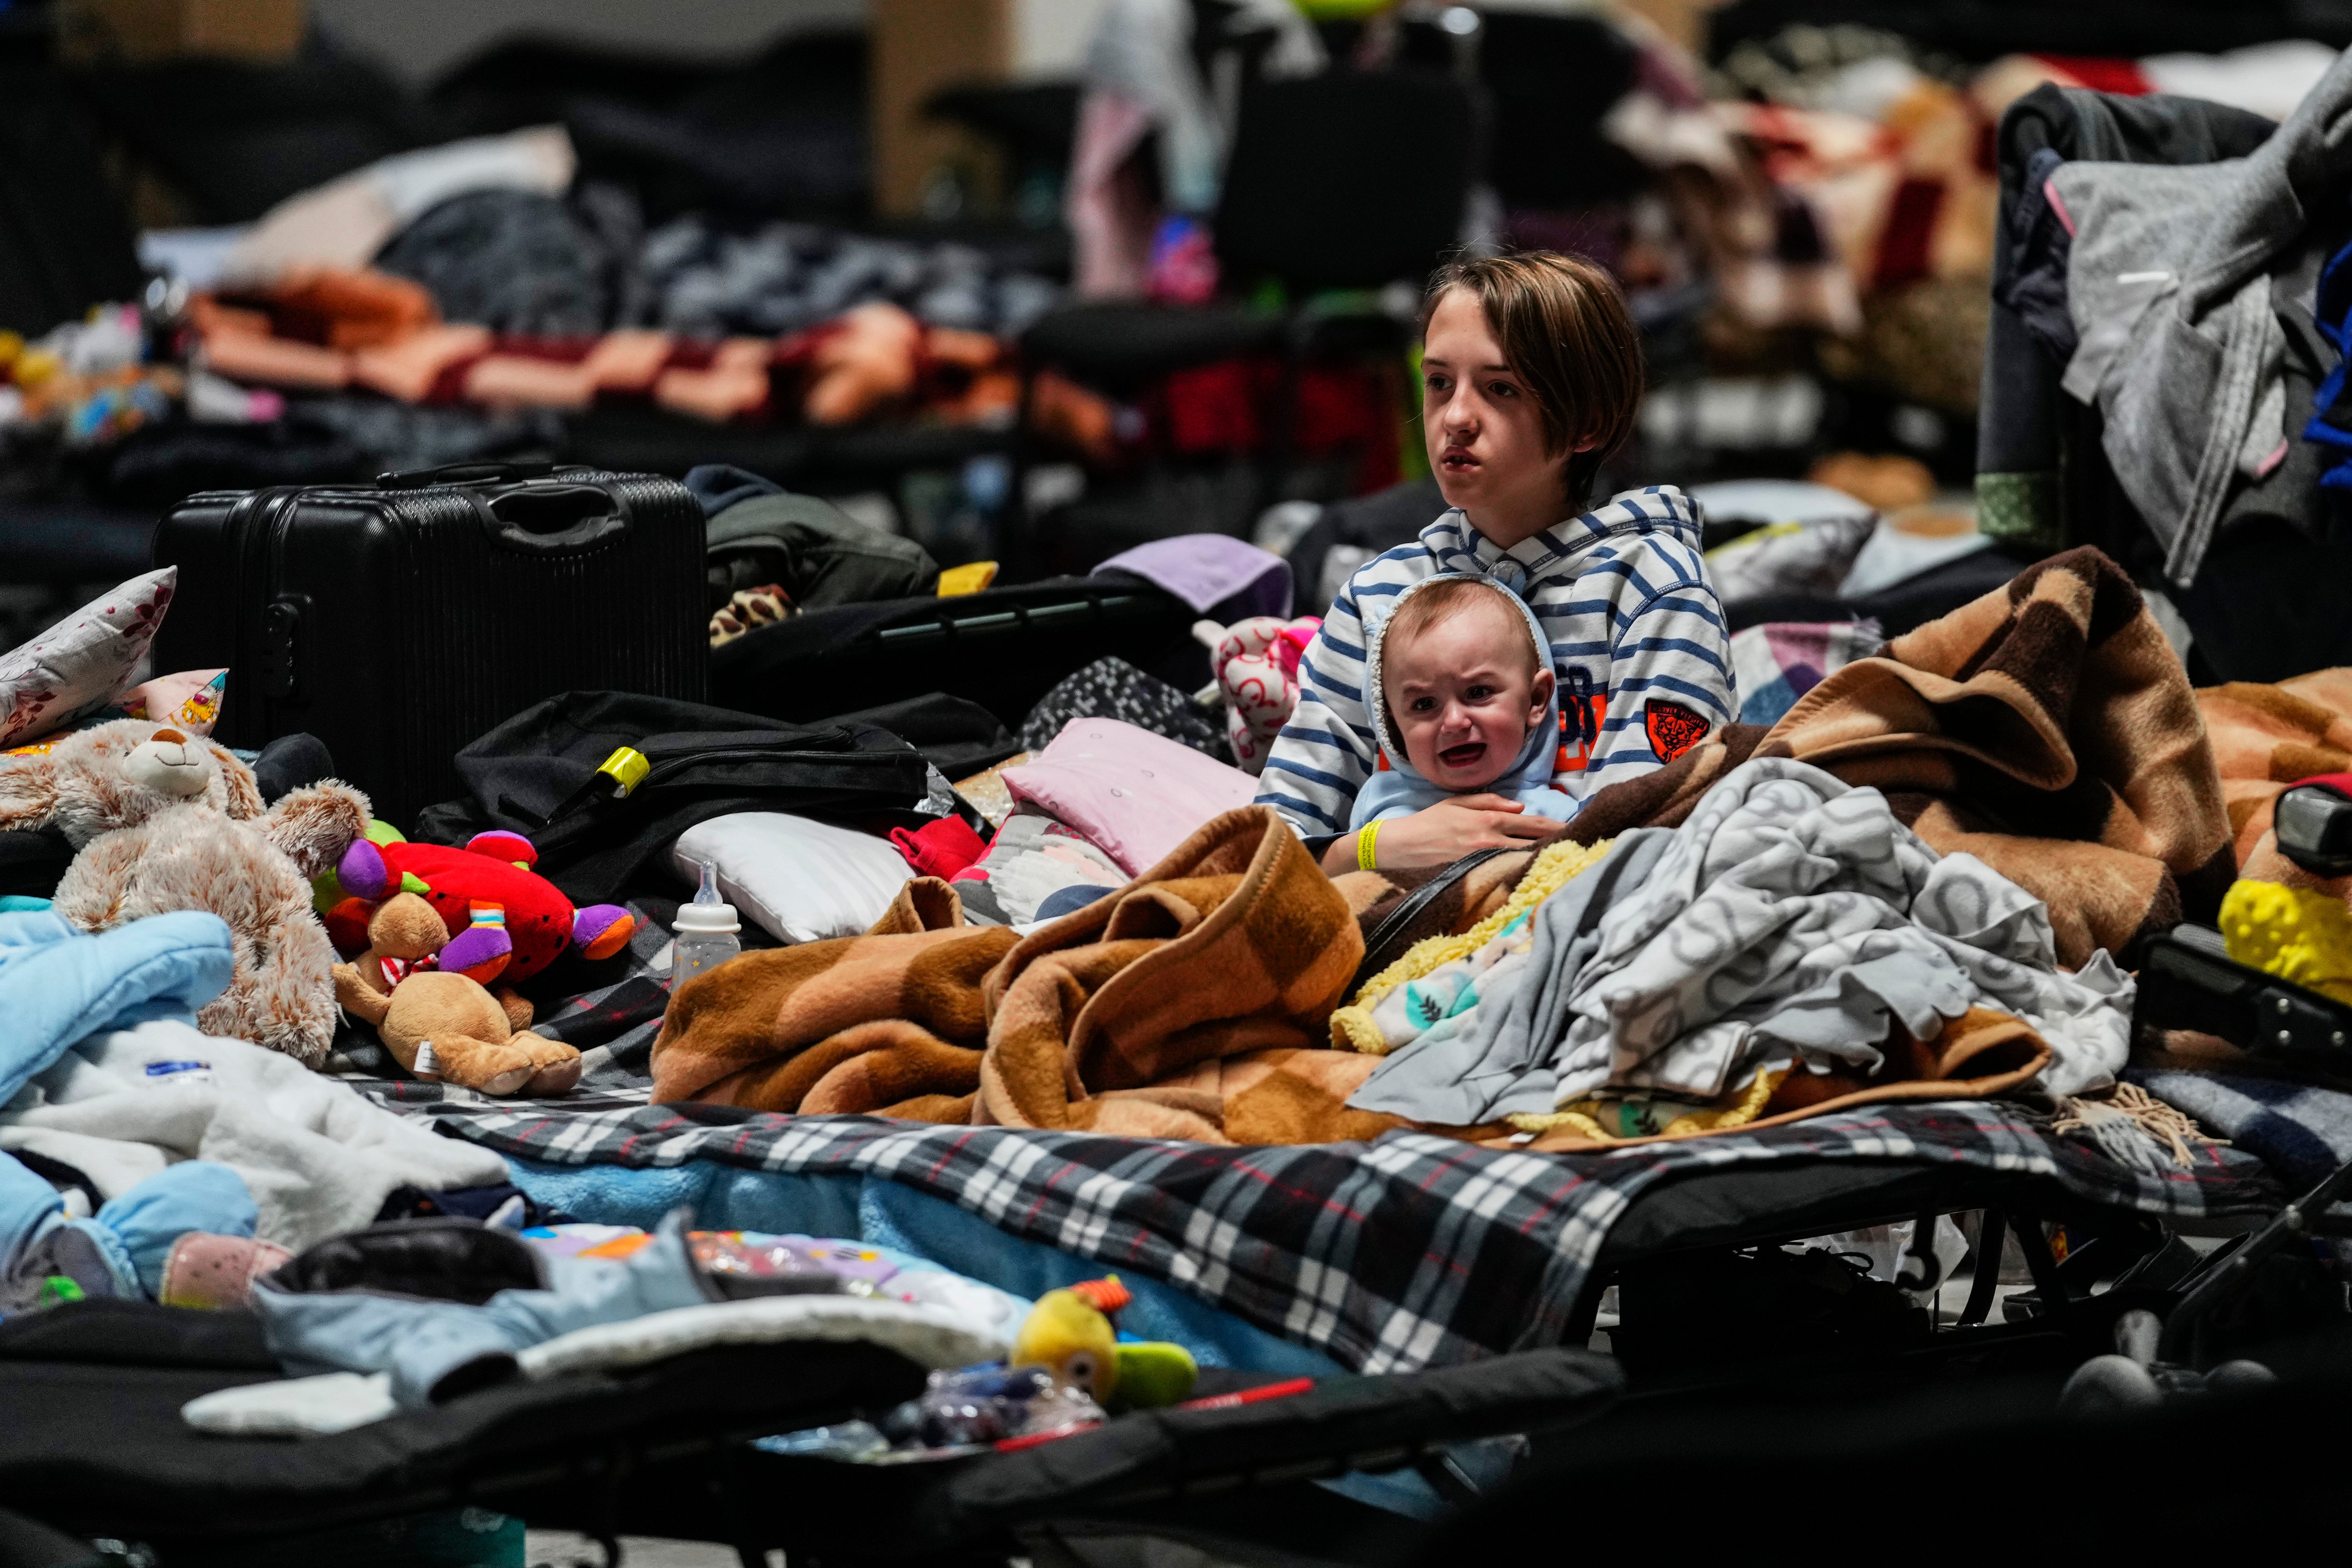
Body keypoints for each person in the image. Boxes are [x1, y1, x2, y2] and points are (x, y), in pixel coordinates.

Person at [1253, 249, 1734, 873]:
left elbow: (1648, 835)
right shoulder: (1380, 594)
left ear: (1586, 423)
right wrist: (1377, 849)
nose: (1455, 418)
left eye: (1500, 388)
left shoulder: (1655, 587)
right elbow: (1272, 851)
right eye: (1438, 383)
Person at [1348, 574, 1575, 848]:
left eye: (1477, 693)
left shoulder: (1558, 819)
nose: (1454, 722)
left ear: (1536, 699)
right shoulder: (1376, 806)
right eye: (1424, 704)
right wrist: (1366, 851)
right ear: (1392, 722)